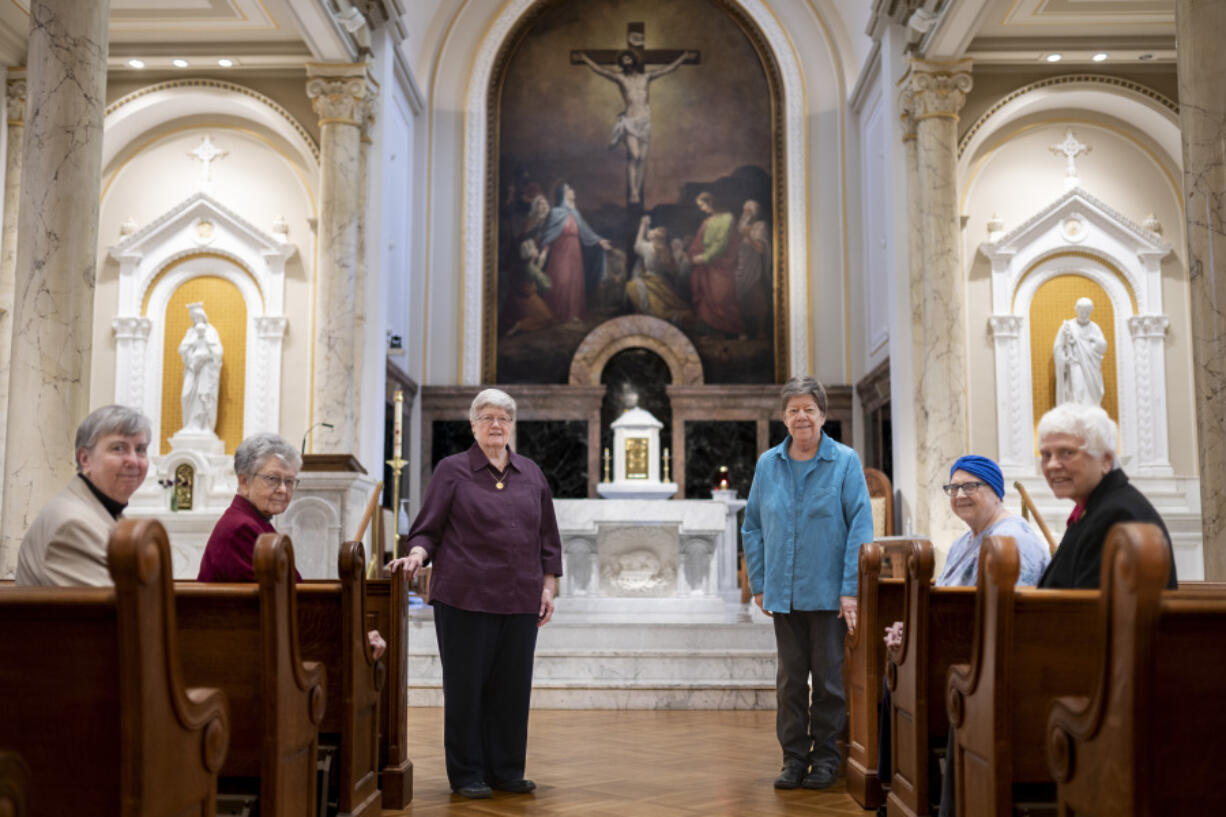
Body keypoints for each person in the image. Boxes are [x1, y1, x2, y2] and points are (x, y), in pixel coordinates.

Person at [388, 388, 562, 799]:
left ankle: (506, 770)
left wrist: (548, 586)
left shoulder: (530, 473)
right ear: (473, 425)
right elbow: (428, 528)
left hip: (519, 597)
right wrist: (416, 555)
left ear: (511, 426)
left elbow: (548, 536)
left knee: (512, 687)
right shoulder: (453, 470)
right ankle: (467, 773)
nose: (496, 425)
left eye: (503, 418)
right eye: (487, 417)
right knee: (466, 688)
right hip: (464, 595)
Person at [877, 455, 1049, 815]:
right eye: (953, 488)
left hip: (982, 665)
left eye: (971, 486)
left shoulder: (1013, 540)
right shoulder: (963, 542)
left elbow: (1009, 617)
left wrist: (916, 639)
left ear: (996, 491)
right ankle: (897, 790)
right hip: (949, 654)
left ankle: (907, 792)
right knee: (893, 674)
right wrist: (908, 632)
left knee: (896, 679)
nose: (959, 495)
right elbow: (946, 607)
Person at [742, 376, 874, 790]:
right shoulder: (768, 464)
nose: (802, 416)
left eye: (809, 409)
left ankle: (827, 758)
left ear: (822, 415)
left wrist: (850, 590)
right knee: (791, 683)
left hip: (829, 593)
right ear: (784, 417)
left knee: (830, 682)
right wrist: (760, 584)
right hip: (783, 593)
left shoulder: (845, 461)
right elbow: (753, 527)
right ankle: (794, 759)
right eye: (793, 410)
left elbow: (861, 527)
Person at [197, 432, 386, 657]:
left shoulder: (255, 523)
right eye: (273, 479)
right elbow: (281, 604)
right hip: (239, 654)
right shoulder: (241, 529)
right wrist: (351, 636)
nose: (284, 490)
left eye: (289, 481)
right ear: (244, 481)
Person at [1036, 402, 1175, 589]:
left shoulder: (1118, 516)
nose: (1052, 465)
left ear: (1106, 460)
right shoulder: (1098, 506)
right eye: (1046, 455)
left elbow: (1089, 611)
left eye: (1067, 453)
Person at [15, 405, 152, 586]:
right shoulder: (72, 526)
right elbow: (115, 610)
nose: (133, 461)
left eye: (141, 449)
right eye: (119, 448)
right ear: (85, 459)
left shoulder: (101, 509)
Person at [575, 48, 695, 204]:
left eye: (629, 59)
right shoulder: (619, 78)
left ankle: (636, 192)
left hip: (644, 121)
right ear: (621, 63)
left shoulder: (646, 77)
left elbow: (668, 69)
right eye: (624, 60)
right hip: (630, 121)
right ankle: (632, 191)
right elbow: (600, 70)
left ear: (634, 60)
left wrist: (683, 57)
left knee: (643, 159)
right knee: (635, 156)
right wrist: (585, 58)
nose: (627, 62)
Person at [538, 181, 612, 322]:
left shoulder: (575, 213)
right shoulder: (555, 213)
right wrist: (544, 252)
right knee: (561, 279)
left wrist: (599, 241)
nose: (573, 191)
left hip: (575, 251)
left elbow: (585, 231)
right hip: (560, 253)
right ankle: (555, 313)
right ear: (564, 193)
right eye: (570, 189)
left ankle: (573, 314)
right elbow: (549, 236)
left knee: (575, 281)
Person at [689, 191, 743, 336]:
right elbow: (698, 241)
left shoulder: (728, 218)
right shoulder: (706, 221)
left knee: (722, 297)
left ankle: (735, 330)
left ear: (710, 202)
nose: (702, 209)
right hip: (707, 266)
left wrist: (704, 257)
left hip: (722, 263)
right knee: (707, 299)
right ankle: (713, 332)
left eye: (702, 205)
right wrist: (694, 254)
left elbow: (722, 244)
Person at [626, 214, 694, 325]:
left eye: (653, 231)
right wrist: (647, 226)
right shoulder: (664, 249)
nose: (650, 231)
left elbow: (637, 244)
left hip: (649, 279)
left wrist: (643, 225)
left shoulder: (648, 247)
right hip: (662, 281)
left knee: (631, 287)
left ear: (654, 237)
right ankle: (675, 317)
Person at [1053, 297, 1107, 407]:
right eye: (1081, 311)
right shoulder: (1068, 327)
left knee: (1091, 394)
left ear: (1090, 311)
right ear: (1076, 310)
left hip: (1092, 367)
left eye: (1087, 312)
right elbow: (1058, 347)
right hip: (1076, 364)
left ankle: (1092, 413)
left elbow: (1102, 347)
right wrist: (1064, 358)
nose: (1084, 314)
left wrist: (1095, 341)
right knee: (1078, 390)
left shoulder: (1095, 328)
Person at [179, 302, 224, 433]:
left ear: (203, 317)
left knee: (203, 396)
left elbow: (217, 353)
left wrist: (205, 339)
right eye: (193, 318)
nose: (195, 320)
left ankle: (203, 426)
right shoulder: (190, 332)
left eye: (197, 317)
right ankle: (190, 425)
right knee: (186, 395)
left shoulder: (210, 332)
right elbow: (182, 349)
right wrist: (192, 345)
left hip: (206, 370)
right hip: (192, 370)